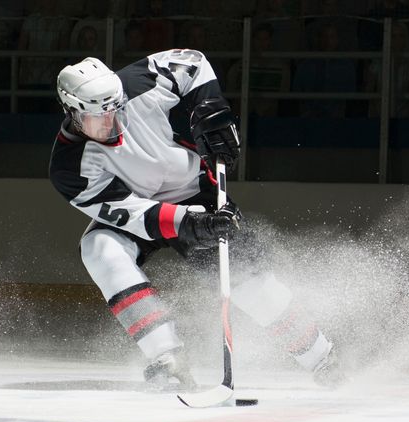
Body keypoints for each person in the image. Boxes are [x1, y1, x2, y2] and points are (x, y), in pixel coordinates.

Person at [49, 50, 344, 389]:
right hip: (144, 211)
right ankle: (166, 357)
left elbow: (193, 61)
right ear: (71, 112)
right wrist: (190, 223)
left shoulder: (136, 83)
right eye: (97, 118)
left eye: (115, 111)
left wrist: (210, 111)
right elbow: (134, 214)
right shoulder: (69, 168)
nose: (111, 123)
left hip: (195, 191)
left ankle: (322, 358)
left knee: (251, 286)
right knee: (99, 247)